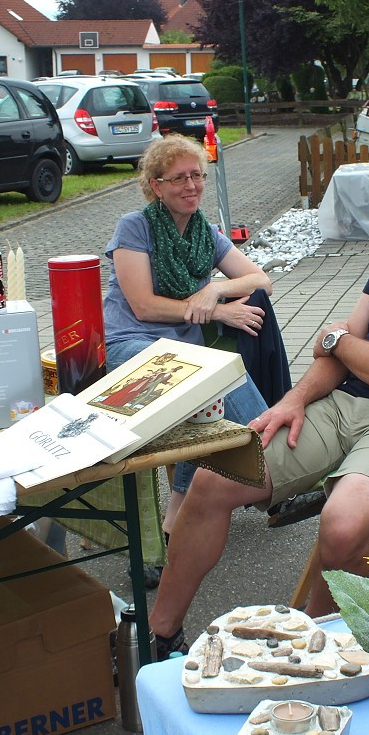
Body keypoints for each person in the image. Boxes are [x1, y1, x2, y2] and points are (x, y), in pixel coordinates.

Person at [149, 115, 369, 657]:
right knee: (210, 480)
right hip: (343, 406)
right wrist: (294, 399)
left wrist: (339, 342)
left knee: (341, 527)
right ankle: (160, 637)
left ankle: (325, 643)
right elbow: (345, 345)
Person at [103, 135, 273, 579]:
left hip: (185, 354)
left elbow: (260, 279)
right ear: (156, 186)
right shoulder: (134, 227)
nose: (191, 185)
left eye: (197, 175)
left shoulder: (206, 233)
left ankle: (270, 467)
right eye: (179, 178)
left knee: (220, 377)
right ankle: (190, 511)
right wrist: (217, 312)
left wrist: (216, 288)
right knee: (203, 379)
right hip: (130, 343)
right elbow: (142, 306)